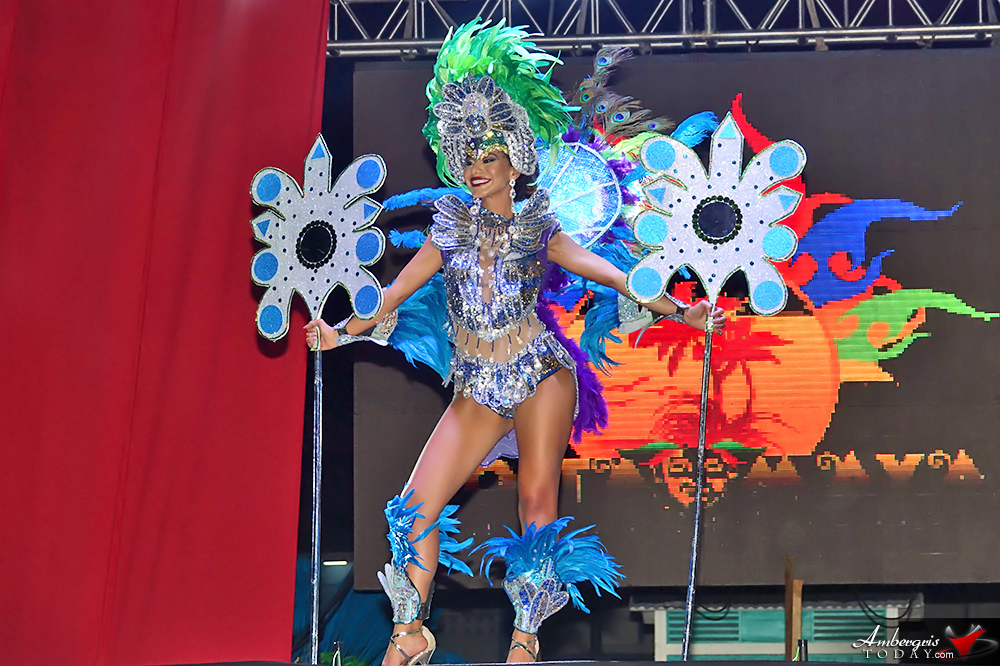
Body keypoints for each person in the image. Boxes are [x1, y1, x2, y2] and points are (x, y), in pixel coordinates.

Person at [304, 23, 726, 665]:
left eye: (487, 156)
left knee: (535, 505)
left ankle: (524, 644)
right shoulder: (447, 227)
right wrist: (337, 335)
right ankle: (409, 634)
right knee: (412, 506)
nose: (474, 168)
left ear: (513, 161)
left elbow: (610, 272)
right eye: (465, 156)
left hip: (540, 377)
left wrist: (680, 311)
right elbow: (389, 297)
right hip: (478, 384)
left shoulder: (540, 226)